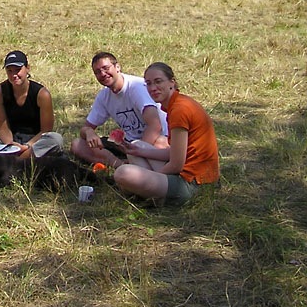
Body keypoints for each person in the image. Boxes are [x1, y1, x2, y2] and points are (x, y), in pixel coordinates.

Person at [114, 62, 220, 206]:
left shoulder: (179, 110)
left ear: (172, 82)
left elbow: (176, 165)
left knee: (122, 173)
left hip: (194, 183)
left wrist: (152, 177)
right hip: (190, 175)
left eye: (158, 82)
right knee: (137, 146)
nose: (153, 88)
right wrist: (139, 151)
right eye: (148, 84)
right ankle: (152, 193)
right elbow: (174, 153)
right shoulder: (176, 104)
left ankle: (157, 197)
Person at [70, 52, 168, 170]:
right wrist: (89, 132)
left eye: (106, 68)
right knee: (77, 145)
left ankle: (132, 166)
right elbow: (85, 128)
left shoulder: (136, 87)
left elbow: (155, 126)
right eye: (97, 72)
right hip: (128, 145)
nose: (102, 74)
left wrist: (137, 151)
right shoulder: (104, 96)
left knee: (160, 143)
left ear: (117, 67)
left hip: (155, 142)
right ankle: (121, 165)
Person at [0, 50, 65, 160]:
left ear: (27, 68)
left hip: (34, 144)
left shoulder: (42, 94)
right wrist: (10, 146)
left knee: (56, 139)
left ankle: (12, 161)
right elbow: (3, 127)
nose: (14, 75)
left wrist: (26, 147)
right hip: (9, 145)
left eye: (18, 70)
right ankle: (15, 159)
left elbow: (46, 130)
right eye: (9, 71)